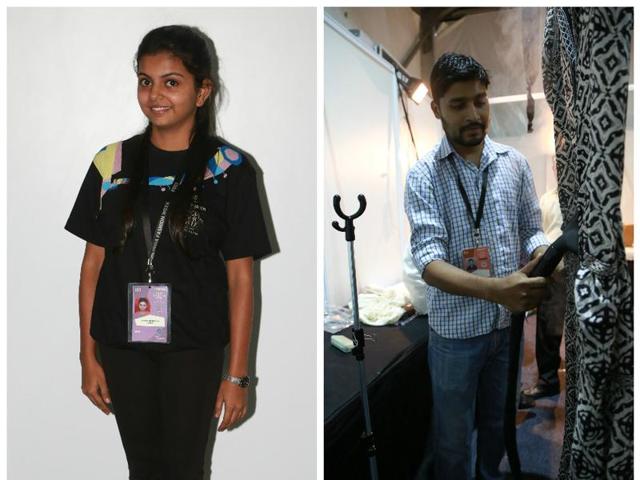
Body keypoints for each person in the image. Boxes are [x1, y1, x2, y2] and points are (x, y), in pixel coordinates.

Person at [65, 25, 271, 479]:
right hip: (121, 344)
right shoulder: (110, 162)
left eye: (171, 81)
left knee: (183, 470)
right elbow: (91, 266)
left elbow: (241, 278)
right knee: (142, 469)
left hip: (193, 348)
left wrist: (237, 376)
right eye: (145, 80)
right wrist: (87, 355)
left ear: (203, 91)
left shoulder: (229, 169)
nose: (155, 94)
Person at [404, 52, 549, 479]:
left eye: (480, 101)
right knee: (452, 439)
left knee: (496, 427)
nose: (474, 114)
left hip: (505, 330)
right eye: (459, 104)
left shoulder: (514, 165)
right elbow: (428, 261)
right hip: (454, 338)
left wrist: (542, 256)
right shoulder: (424, 175)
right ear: (436, 109)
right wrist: (494, 289)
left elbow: (532, 229)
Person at [520, 185, 566, 408]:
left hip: (576, 271)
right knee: (548, 328)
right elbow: (537, 231)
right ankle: (548, 381)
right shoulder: (548, 198)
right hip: (553, 271)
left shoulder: (586, 196)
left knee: (579, 329)